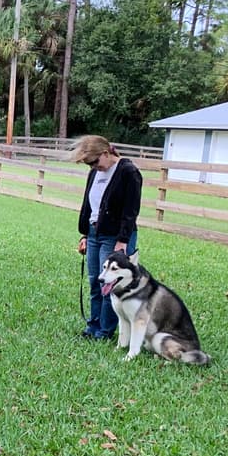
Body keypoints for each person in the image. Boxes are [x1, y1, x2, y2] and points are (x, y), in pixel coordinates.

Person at [72, 134, 142, 340]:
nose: (93, 167)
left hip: (115, 237)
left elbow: (131, 211)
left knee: (109, 284)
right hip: (94, 234)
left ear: (105, 153)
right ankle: (93, 325)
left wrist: (122, 241)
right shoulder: (94, 173)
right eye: (88, 165)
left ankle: (105, 330)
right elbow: (90, 205)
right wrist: (85, 234)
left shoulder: (128, 172)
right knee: (95, 281)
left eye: (94, 162)